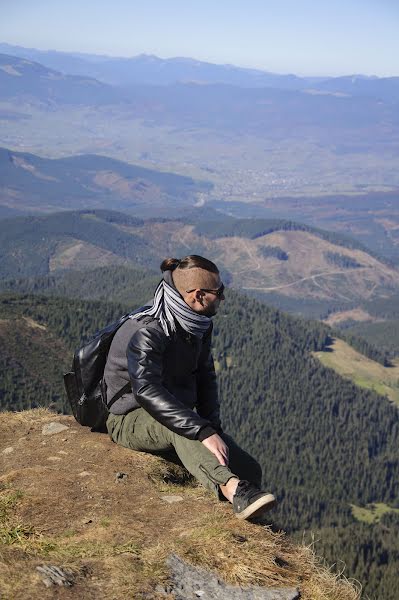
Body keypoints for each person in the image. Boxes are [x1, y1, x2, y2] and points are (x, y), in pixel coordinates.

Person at [104, 255, 275, 520]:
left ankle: (243, 500)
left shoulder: (197, 324)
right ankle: (233, 490)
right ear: (198, 295)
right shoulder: (149, 330)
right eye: (219, 292)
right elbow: (146, 390)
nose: (223, 298)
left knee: (250, 469)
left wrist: (212, 427)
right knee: (181, 427)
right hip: (128, 418)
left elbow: (204, 375)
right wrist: (201, 430)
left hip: (171, 414)